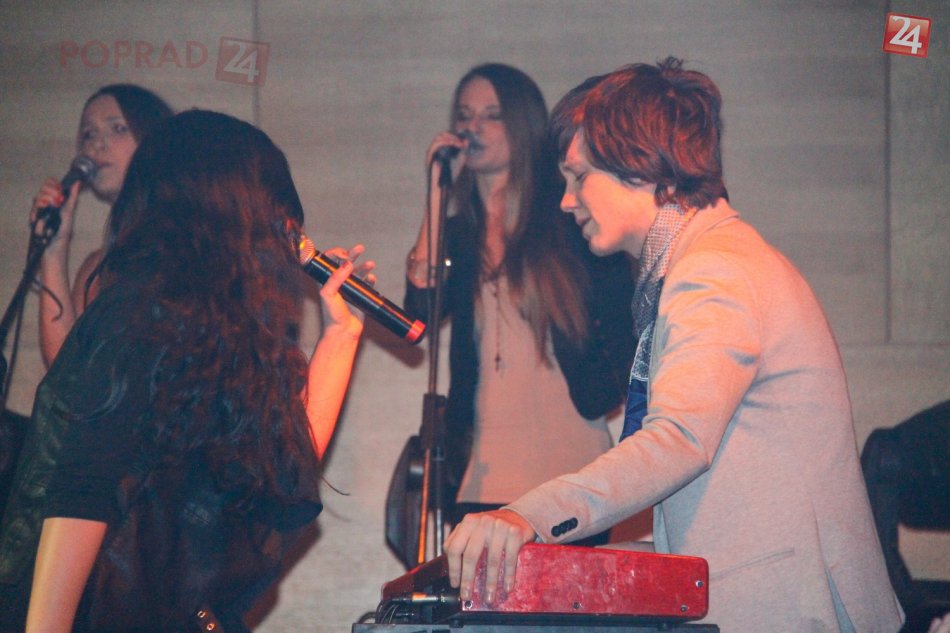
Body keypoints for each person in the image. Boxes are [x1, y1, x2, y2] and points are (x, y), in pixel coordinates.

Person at [443, 58, 904, 632]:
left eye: (579, 176)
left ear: (639, 168)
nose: (566, 200)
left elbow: (678, 441)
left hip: (790, 607)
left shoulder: (715, 270)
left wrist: (526, 515)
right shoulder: (697, 264)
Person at [0, 109, 371, 631]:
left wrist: (341, 336)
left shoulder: (233, 338)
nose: (290, 229)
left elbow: (284, 475)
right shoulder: (137, 313)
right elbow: (81, 490)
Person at [404, 63, 635, 526]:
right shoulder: (459, 235)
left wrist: (606, 389)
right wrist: (435, 195)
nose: (472, 128)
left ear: (522, 124)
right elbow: (418, 314)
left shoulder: (568, 221)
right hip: (482, 474)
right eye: (464, 115)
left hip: (571, 466)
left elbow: (622, 317)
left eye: (491, 115)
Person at [29, 84, 172, 368]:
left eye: (118, 128)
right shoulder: (96, 267)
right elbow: (64, 370)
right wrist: (54, 249)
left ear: (155, 140)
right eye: (88, 134)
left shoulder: (185, 245)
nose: (97, 144)